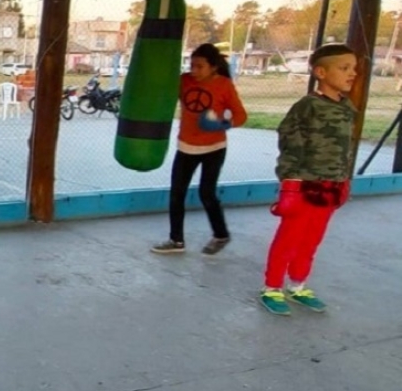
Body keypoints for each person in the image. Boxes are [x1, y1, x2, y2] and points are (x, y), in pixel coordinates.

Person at [259, 44, 356, 316]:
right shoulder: (307, 106)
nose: (352, 74)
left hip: (331, 186)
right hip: (305, 186)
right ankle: (272, 287)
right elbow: (290, 141)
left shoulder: (347, 108)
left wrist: (344, 179)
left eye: (354, 69)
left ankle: (298, 284)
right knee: (289, 238)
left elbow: (345, 147)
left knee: (312, 239)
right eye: (344, 68)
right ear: (321, 72)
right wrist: (290, 182)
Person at [151, 43, 247, 255]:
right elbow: (163, 92)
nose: (193, 70)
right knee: (176, 193)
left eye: (199, 66)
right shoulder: (184, 81)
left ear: (213, 67)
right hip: (186, 146)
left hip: (214, 147)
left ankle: (221, 234)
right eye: (191, 65)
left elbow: (241, 115)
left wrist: (223, 123)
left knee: (207, 193)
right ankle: (176, 241)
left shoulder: (224, 85)